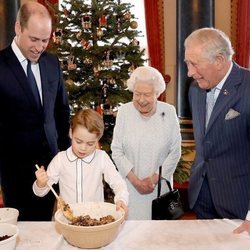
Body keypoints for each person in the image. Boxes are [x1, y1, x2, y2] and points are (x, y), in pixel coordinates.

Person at [0, 1, 70, 220]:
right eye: (34, 39)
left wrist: (64, 156)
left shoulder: (52, 63)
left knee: (47, 227)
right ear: (18, 28)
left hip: (51, 166)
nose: (40, 47)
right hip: (15, 171)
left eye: (45, 40)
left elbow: (61, 112)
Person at [184, 27, 250, 233]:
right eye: (187, 63)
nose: (189, 72)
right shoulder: (195, 89)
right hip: (202, 197)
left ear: (219, 60)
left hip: (239, 203)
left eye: (194, 64)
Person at [111, 66, 182, 220]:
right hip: (129, 188)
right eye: (137, 94)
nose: (141, 100)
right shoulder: (124, 112)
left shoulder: (168, 112)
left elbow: (175, 151)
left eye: (147, 94)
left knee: (159, 237)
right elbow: (116, 150)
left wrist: (153, 179)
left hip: (159, 190)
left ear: (157, 93)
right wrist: (135, 181)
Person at [33, 109, 129, 216]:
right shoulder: (60, 159)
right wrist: (40, 184)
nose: (83, 148)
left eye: (90, 143)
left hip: (94, 220)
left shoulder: (101, 158)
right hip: (67, 220)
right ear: (71, 133)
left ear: (98, 139)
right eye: (78, 141)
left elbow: (119, 184)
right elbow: (40, 193)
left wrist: (122, 200)